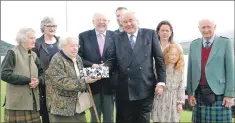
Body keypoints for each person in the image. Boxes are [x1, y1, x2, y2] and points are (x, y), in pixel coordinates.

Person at [104, 11, 166, 123]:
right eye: (124, 22)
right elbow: (112, 61)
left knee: (142, 119)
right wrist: (101, 71)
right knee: (124, 120)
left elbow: (159, 60)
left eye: (130, 20)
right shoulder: (116, 38)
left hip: (145, 87)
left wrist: (161, 82)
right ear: (121, 24)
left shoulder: (150, 34)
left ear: (137, 21)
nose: (128, 24)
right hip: (123, 88)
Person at [45, 33, 100, 122]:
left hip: (78, 106)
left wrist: (93, 73)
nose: (75, 48)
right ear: (63, 46)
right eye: (71, 46)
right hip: (61, 109)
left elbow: (80, 74)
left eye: (76, 45)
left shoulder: (77, 58)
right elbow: (61, 83)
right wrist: (85, 81)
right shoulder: (57, 60)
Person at [187, 19, 234, 122]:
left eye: (209, 27)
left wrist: (229, 94)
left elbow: (230, 71)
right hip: (199, 91)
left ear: (215, 27)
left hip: (220, 93)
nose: (206, 30)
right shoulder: (194, 44)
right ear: (199, 29)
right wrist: (190, 93)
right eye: (203, 27)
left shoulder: (225, 42)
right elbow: (190, 71)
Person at [78, 12, 116, 122]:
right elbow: (79, 57)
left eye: (104, 20)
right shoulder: (83, 36)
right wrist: (93, 65)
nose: (101, 22)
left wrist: (105, 67)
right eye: (98, 20)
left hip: (109, 84)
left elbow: (117, 57)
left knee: (109, 117)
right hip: (92, 85)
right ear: (93, 22)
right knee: (95, 116)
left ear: (108, 22)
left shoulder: (115, 36)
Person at [1, 28, 43, 123]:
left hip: (33, 102)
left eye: (34, 38)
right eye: (31, 38)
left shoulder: (34, 55)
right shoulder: (12, 52)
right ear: (22, 39)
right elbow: (4, 74)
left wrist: (39, 80)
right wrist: (28, 80)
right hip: (17, 103)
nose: (34, 40)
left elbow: (42, 72)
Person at [32, 16, 59, 123]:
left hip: (60, 82)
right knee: (46, 113)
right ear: (43, 27)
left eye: (54, 26)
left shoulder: (61, 41)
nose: (52, 28)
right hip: (44, 83)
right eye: (49, 26)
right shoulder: (37, 43)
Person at [152, 43, 185, 122]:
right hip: (161, 97)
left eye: (176, 54)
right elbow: (154, 79)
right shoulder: (161, 67)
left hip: (173, 99)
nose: (174, 56)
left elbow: (181, 86)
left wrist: (180, 102)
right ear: (166, 54)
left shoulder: (180, 69)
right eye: (171, 54)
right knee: (159, 119)